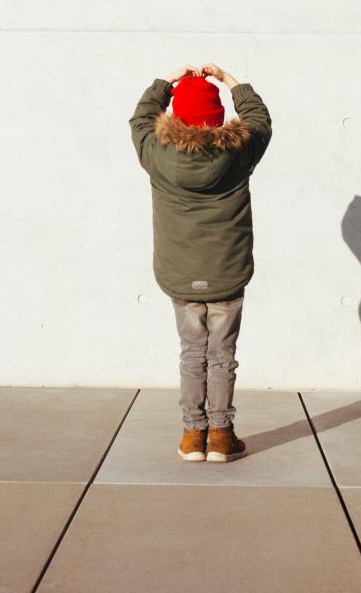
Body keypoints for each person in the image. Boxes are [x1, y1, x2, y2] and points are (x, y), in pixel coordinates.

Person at [129, 62, 272, 463]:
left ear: (175, 114)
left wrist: (166, 82)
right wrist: (229, 81)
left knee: (192, 353)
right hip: (227, 271)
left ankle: (194, 435)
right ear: (218, 116)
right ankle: (222, 436)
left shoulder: (156, 153)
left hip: (179, 271)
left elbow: (140, 118)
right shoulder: (240, 150)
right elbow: (260, 118)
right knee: (222, 354)